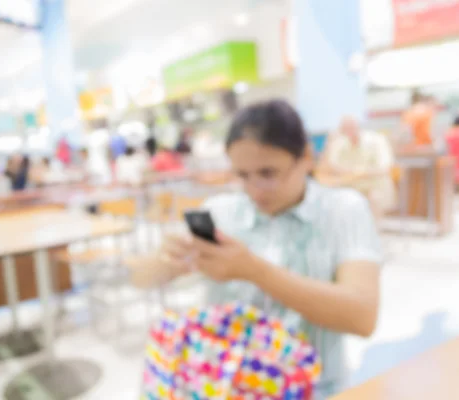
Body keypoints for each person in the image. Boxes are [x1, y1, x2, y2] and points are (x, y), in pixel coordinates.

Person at [131, 100, 382, 397]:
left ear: (304, 157)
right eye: (242, 175)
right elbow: (141, 278)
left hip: (313, 387)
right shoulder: (222, 212)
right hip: (226, 385)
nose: (255, 189)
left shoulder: (343, 210)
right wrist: (166, 260)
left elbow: (362, 316)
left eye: (268, 173)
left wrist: (255, 271)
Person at [323, 116, 397, 220]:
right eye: (344, 130)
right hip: (350, 188)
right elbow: (330, 166)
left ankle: (373, 233)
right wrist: (330, 143)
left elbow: (385, 167)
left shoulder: (377, 140)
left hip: (375, 187)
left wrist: (359, 172)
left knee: (375, 198)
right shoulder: (340, 143)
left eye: (350, 128)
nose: (348, 132)